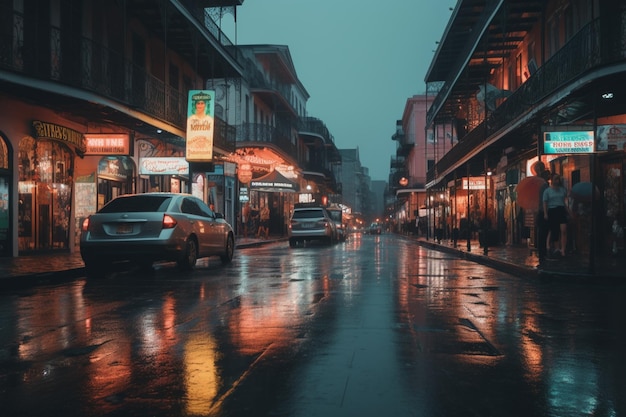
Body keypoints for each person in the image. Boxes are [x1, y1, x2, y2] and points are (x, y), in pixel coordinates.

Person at [543, 173, 570, 258]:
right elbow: (545, 202)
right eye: (555, 179)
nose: (557, 181)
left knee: (564, 229)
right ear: (552, 180)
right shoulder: (547, 191)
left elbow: (565, 202)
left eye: (558, 179)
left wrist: (568, 211)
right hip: (552, 210)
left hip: (561, 209)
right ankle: (557, 247)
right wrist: (545, 213)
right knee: (555, 230)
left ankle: (563, 249)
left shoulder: (562, 190)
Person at [533, 161, 551, 260]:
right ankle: (543, 253)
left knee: (542, 233)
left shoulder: (537, 182)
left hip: (540, 210)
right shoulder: (543, 184)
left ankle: (542, 253)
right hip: (544, 210)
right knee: (544, 232)